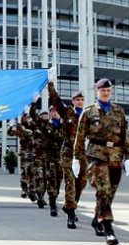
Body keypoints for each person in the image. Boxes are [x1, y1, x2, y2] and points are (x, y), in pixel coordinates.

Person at [73, 78, 129, 245]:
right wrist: (76, 159)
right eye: (102, 90)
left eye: (108, 90)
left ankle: (96, 219)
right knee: (104, 190)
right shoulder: (88, 112)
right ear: (97, 91)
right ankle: (109, 229)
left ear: (110, 91)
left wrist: (128, 157)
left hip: (116, 156)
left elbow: (125, 136)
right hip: (97, 156)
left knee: (109, 194)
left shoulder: (118, 111)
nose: (106, 93)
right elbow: (80, 137)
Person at [49, 81, 87, 229]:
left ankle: (70, 205)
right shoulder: (68, 112)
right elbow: (56, 101)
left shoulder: (88, 115)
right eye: (77, 99)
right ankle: (71, 214)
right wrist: (51, 85)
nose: (80, 101)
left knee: (80, 184)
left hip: (82, 154)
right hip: (68, 152)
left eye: (82, 99)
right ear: (73, 101)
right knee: (70, 182)